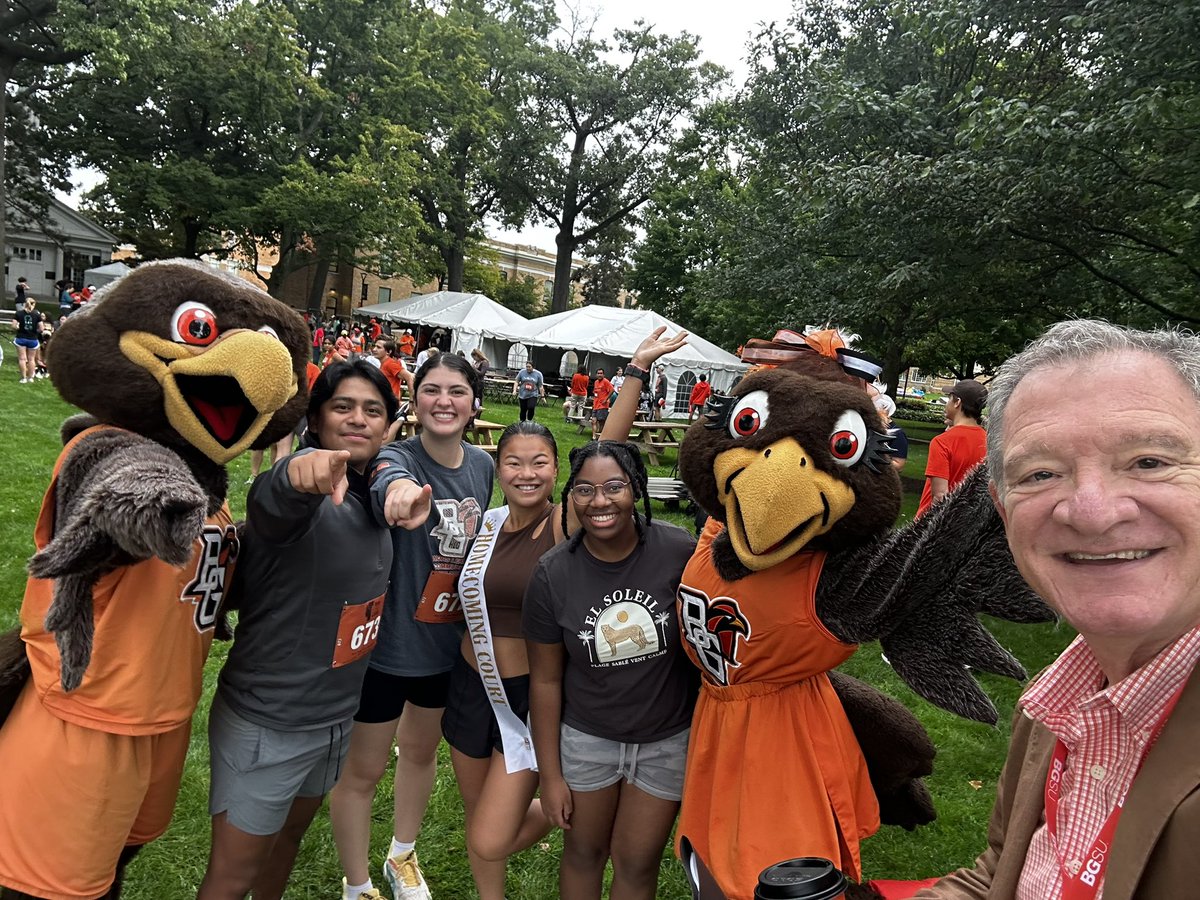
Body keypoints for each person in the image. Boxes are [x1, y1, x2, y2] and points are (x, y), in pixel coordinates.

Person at [913, 319, 1200, 899]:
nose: (1091, 512)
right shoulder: (1056, 699)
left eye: (1148, 461)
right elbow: (1002, 873)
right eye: (1040, 474)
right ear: (1000, 506)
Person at [446, 329, 687, 900]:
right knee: (479, 823)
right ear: (495, 468)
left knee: (489, 834)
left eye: (539, 463)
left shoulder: (566, 523)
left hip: (527, 695)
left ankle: (572, 809)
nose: (525, 473)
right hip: (469, 686)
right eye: (512, 463)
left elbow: (610, 451)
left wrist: (633, 371)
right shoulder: (483, 522)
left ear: (558, 474)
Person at [198, 361, 399, 900]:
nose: (358, 419)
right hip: (270, 723)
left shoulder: (375, 498)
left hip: (334, 721)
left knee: (287, 842)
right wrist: (295, 474)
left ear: (388, 427)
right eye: (343, 407)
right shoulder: (309, 493)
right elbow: (273, 501)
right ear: (315, 418)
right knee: (234, 873)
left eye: (372, 410)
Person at [331, 352, 494, 900]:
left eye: (456, 391)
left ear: (474, 403)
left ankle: (402, 855)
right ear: (415, 399)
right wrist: (401, 497)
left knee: (420, 753)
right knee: (365, 768)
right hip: (385, 646)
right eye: (431, 390)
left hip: (445, 647)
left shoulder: (483, 467)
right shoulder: (393, 458)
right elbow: (388, 483)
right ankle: (357, 885)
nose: (443, 401)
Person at [524, 440, 699, 900]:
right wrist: (551, 774)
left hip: (666, 741)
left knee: (638, 863)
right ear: (570, 497)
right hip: (587, 741)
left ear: (636, 488)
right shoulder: (551, 575)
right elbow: (544, 680)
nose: (599, 502)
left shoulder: (679, 552)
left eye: (614, 487)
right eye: (584, 490)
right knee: (583, 853)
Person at [915, 379, 987, 517]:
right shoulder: (989, 442)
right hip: (970, 521)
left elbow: (940, 497)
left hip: (933, 524)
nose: (947, 403)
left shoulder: (942, 442)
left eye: (949, 399)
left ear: (957, 402)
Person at [11, 296, 44, 384]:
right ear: (34, 305)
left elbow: (13, 326)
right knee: (31, 359)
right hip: (32, 339)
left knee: (22, 359)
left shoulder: (18, 313)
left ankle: (23, 378)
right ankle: (30, 378)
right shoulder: (37, 314)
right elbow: (41, 328)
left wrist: (19, 328)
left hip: (21, 338)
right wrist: (35, 331)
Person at [872, 392, 908, 471]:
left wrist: (875, 458)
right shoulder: (871, 428)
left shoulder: (898, 433)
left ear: (886, 410)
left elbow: (899, 464)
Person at [590, 368, 613, 440]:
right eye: (598, 373)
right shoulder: (596, 382)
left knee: (601, 422)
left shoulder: (606, 382)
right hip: (595, 404)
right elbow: (596, 392)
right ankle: (593, 437)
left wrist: (606, 399)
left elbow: (612, 390)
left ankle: (601, 437)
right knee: (593, 421)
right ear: (596, 374)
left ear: (603, 374)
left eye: (601, 373)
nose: (599, 375)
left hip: (603, 405)